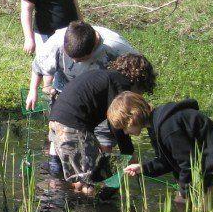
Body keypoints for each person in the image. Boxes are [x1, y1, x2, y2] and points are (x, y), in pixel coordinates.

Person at [47, 54, 157, 194]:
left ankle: (66, 202)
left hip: (57, 118)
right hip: (72, 125)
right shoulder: (121, 84)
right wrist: (128, 153)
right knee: (88, 181)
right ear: (139, 81)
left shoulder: (105, 76)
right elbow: (116, 124)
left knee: (79, 175)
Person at [107, 92, 213, 204]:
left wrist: (184, 190)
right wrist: (143, 168)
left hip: (209, 158)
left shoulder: (168, 128)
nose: (125, 133)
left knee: (196, 207)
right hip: (195, 162)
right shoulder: (154, 127)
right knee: (182, 203)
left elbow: (188, 162)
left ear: (132, 118)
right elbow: (166, 161)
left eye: (124, 127)